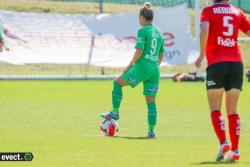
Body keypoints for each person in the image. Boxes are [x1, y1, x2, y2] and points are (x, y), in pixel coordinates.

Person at [195, 0, 250, 161]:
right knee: (232, 110)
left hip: (216, 64)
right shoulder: (237, 12)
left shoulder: (208, 11)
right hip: (236, 64)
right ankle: (235, 150)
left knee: (215, 108)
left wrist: (201, 54)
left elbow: (204, 29)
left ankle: (223, 142)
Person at [100, 2, 165, 138]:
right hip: (155, 70)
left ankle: (115, 112)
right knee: (151, 102)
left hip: (142, 68)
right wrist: (155, 65)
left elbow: (139, 51)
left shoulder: (142, 31)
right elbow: (161, 53)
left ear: (142, 17)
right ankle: (151, 131)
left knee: (117, 83)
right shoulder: (159, 32)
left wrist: (130, 65)